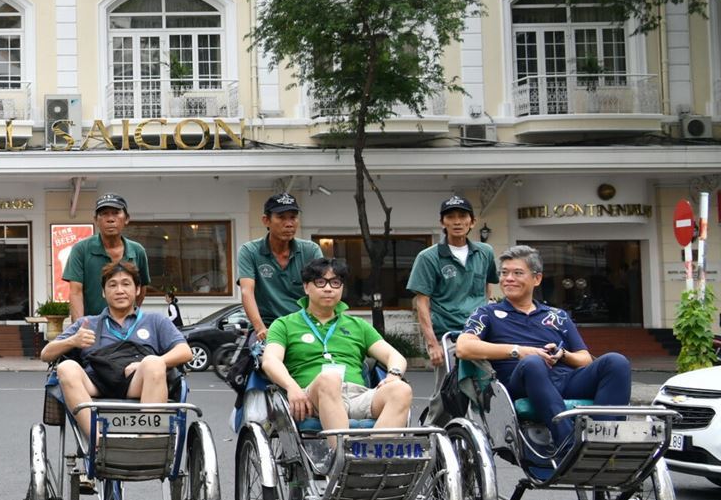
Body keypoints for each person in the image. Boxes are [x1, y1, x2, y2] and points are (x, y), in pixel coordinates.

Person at [453, 245, 631, 466]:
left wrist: (563, 354)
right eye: (504, 273)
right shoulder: (487, 313)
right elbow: (463, 347)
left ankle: (603, 442)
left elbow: (584, 359)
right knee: (533, 363)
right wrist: (519, 351)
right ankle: (568, 446)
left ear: (537, 279)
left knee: (616, 362)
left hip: (565, 379)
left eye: (517, 273)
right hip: (521, 382)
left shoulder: (557, 316)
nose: (508, 278)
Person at [41, 262, 192, 481]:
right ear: (104, 292)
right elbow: (46, 354)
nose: (119, 290)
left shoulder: (155, 321)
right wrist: (72, 340)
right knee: (65, 367)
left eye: (126, 284)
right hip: (97, 383)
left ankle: (147, 445)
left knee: (153, 363)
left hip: (136, 382)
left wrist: (151, 362)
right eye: (112, 285)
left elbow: (185, 352)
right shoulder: (88, 323)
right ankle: (99, 445)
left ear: (137, 289)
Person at [261, 257, 412, 459]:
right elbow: (270, 361)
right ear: (306, 287)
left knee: (401, 389)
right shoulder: (285, 324)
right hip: (312, 397)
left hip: (357, 395)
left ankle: (373, 459)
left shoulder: (358, 325)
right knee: (330, 378)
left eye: (335, 283)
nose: (328, 288)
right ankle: (344, 460)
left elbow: (394, 356)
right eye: (320, 282)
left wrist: (393, 375)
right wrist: (292, 387)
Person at [408, 194, 499, 371]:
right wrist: (432, 344)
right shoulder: (428, 257)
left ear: (472, 222)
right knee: (449, 384)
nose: (457, 222)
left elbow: (487, 285)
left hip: (479, 331)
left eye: (463, 216)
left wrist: (484, 311)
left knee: (488, 381)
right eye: (450, 217)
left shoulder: (485, 251)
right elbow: (422, 303)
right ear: (442, 223)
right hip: (447, 335)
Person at [238, 192, 324, 343]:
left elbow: (322, 289)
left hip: (304, 325)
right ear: (266, 220)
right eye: (281, 217)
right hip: (268, 325)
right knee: (263, 355)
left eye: (293, 217)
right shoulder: (249, 251)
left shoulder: (311, 250)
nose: (289, 223)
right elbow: (247, 292)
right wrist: (260, 328)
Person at [61, 193, 152, 319]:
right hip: (92, 325)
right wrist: (80, 325)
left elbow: (141, 289)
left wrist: (130, 317)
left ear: (126, 218)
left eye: (116, 213)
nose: (110, 219)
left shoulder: (137, 251)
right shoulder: (81, 249)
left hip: (126, 325)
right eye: (104, 214)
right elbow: (75, 292)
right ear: (96, 220)